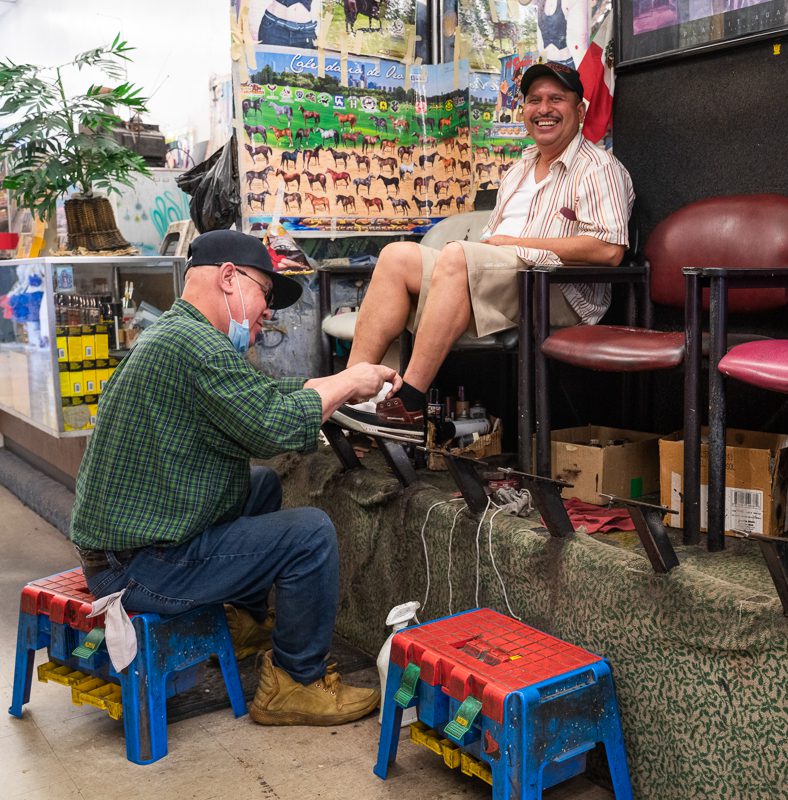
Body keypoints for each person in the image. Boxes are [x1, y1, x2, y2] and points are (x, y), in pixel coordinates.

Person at [70, 230, 400, 727]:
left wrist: (330, 388)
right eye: (266, 295)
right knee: (310, 534)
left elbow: (258, 398)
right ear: (228, 277)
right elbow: (271, 425)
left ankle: (245, 625)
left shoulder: (180, 335)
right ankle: (295, 683)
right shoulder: (197, 347)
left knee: (262, 485)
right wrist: (348, 381)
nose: (268, 312)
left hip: (126, 552)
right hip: (137, 570)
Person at [333, 62, 635, 442]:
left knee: (459, 256)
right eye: (534, 100)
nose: (544, 109)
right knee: (397, 257)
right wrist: (486, 251)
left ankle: (408, 404)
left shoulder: (598, 168)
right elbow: (489, 245)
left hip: (556, 288)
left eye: (556, 99)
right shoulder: (519, 168)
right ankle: (350, 392)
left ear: (580, 110)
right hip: (498, 273)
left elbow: (609, 250)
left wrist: (517, 245)